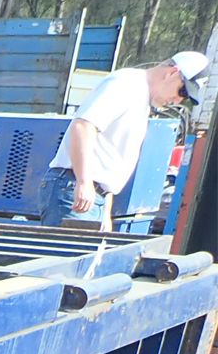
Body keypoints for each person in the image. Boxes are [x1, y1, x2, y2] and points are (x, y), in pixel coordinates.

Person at [39, 50, 207, 226]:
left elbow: (109, 158)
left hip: (92, 195)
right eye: (182, 91)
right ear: (172, 72)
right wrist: (84, 182)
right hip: (74, 187)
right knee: (72, 245)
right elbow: (83, 127)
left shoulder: (140, 97)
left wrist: (105, 211)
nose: (178, 100)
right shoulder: (126, 84)